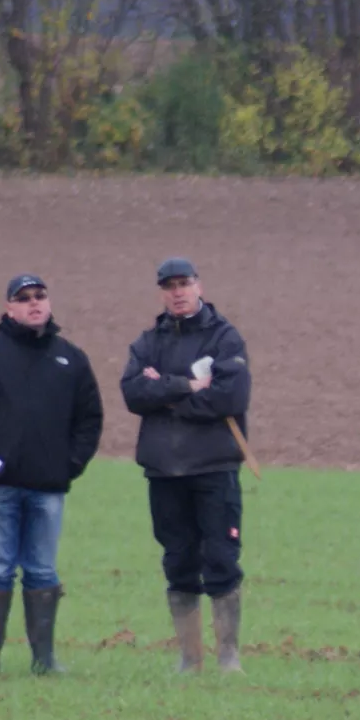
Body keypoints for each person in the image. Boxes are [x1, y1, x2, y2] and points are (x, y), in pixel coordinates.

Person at [0, 273, 103, 676]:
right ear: (9, 307)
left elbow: (90, 419)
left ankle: (44, 661)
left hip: (48, 488)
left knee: (42, 569)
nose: (34, 303)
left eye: (40, 296)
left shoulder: (70, 358)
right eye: (24, 297)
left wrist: (69, 465)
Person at [119, 257, 252, 672]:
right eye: (169, 286)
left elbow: (230, 397)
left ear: (199, 286)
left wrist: (166, 395)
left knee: (221, 559)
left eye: (184, 284)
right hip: (164, 470)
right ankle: (190, 659)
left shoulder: (224, 338)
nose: (177, 292)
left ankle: (228, 658)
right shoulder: (148, 342)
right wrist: (188, 386)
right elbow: (133, 393)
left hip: (214, 468)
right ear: (162, 292)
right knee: (178, 561)